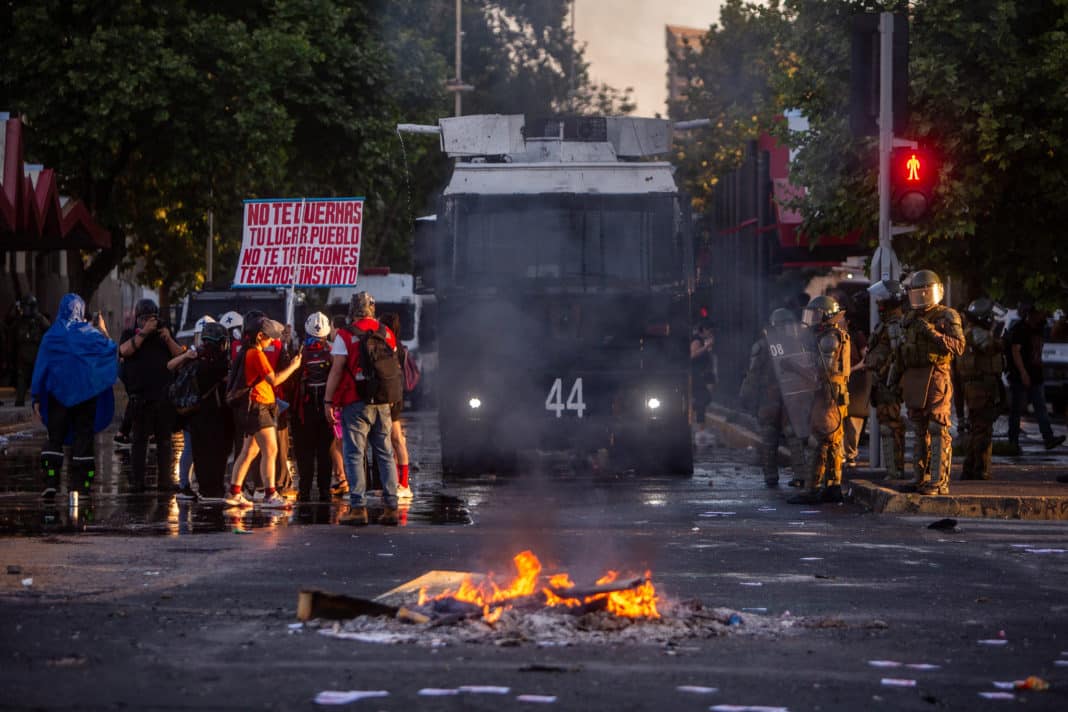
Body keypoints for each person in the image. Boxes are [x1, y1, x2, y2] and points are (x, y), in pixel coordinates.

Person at [324, 291, 403, 526]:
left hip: (355, 401)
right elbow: (394, 366)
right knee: (385, 453)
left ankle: (358, 508)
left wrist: (328, 401)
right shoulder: (386, 332)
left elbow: (337, 370)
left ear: (352, 309)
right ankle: (391, 507)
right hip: (383, 401)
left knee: (354, 454)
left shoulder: (346, 335)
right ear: (372, 308)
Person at [30, 294, 117, 498]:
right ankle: (81, 485)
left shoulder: (51, 336)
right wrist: (102, 328)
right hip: (86, 396)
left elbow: (41, 367)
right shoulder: (91, 335)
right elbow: (111, 350)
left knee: (55, 438)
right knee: (83, 437)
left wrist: (36, 397)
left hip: (56, 397)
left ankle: (51, 480)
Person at [893, 270, 965, 495]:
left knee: (937, 427)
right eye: (917, 292)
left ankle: (938, 481)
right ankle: (920, 478)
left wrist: (934, 334)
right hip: (914, 377)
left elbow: (959, 347)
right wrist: (894, 379)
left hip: (936, 376)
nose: (922, 296)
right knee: (919, 428)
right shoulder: (910, 319)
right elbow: (902, 351)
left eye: (925, 291)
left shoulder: (947, 316)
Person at [224, 315, 302, 509]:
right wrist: (293, 366)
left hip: (251, 407)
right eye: (269, 338)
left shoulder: (245, 352)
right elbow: (273, 379)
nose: (271, 341)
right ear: (259, 336)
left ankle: (235, 492)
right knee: (271, 449)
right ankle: (270, 494)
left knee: (249, 451)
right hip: (258, 407)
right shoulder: (256, 354)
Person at [788, 296, 850, 505]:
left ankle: (811, 489)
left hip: (826, 396)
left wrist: (793, 367)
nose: (811, 319)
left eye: (815, 315)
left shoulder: (829, 340)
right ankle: (832, 486)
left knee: (819, 440)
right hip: (831, 396)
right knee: (832, 442)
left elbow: (820, 373)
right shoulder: (828, 336)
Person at [119, 299, 184, 492]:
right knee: (139, 442)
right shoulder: (131, 335)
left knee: (165, 442)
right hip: (140, 398)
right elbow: (124, 350)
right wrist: (144, 333)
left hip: (163, 398)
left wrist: (168, 338)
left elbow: (180, 356)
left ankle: (165, 480)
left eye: (152, 319)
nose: (149, 322)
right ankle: (137, 481)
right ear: (137, 319)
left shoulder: (163, 335)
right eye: (145, 319)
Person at [739, 308, 807, 488]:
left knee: (769, 438)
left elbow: (753, 375)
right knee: (794, 437)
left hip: (769, 398)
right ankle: (801, 474)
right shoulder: (796, 345)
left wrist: (745, 397)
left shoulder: (762, 346)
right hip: (790, 398)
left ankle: (771, 475)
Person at [167, 321, 232, 498]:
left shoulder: (194, 360)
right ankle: (215, 489)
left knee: (199, 455)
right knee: (217, 455)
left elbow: (171, 367)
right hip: (218, 417)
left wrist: (188, 355)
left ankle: (202, 488)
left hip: (195, 417)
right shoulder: (221, 365)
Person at [1006, 302, 1065, 451]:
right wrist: (1023, 373)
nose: (1041, 317)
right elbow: (1015, 351)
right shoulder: (1020, 329)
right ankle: (1013, 442)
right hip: (1020, 376)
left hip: (1036, 375)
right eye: (1039, 314)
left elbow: (1055, 331)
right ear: (1031, 314)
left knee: (1041, 408)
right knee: (1017, 410)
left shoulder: (1039, 327)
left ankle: (1048, 438)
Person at [863, 280, 907, 478]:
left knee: (891, 428)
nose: (878, 302)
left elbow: (899, 354)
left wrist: (891, 378)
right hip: (882, 383)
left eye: (882, 298)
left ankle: (895, 471)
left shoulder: (895, 325)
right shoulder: (886, 324)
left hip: (889, 383)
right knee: (887, 427)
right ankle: (893, 470)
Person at [958, 298, 1005, 480]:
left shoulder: (970, 331)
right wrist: (1001, 341)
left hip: (976, 386)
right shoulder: (977, 332)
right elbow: (989, 347)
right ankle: (979, 469)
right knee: (982, 428)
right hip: (981, 387)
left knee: (976, 427)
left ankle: (970, 468)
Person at [293, 312, 335, 502]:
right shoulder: (333, 352)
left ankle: (304, 490)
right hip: (328, 409)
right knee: (325, 451)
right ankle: (324, 490)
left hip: (304, 411)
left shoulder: (299, 354)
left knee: (305, 453)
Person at [175, 315, 215, 499]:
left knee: (203, 448)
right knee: (191, 448)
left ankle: (199, 483)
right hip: (192, 408)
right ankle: (184, 484)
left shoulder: (213, 355)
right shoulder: (190, 354)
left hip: (204, 408)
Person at [382, 312, 414, 500]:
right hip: (395, 396)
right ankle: (397, 482)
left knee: (397, 440)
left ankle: (403, 484)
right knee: (394, 440)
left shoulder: (392, 346)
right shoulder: (397, 345)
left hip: (392, 398)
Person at [10, 296, 51, 407]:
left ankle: (41, 401)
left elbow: (49, 332)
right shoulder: (19, 320)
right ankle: (20, 401)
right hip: (23, 355)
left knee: (38, 378)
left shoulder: (40, 319)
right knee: (22, 378)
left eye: (25, 306)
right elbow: (12, 335)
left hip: (36, 354)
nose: (23, 309)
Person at [690, 320, 717, 435]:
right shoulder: (697, 340)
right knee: (702, 399)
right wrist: (706, 347)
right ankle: (701, 430)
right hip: (696, 375)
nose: (710, 334)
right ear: (704, 330)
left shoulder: (704, 341)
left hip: (702, 375)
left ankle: (690, 411)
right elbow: (693, 354)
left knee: (705, 399)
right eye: (709, 331)